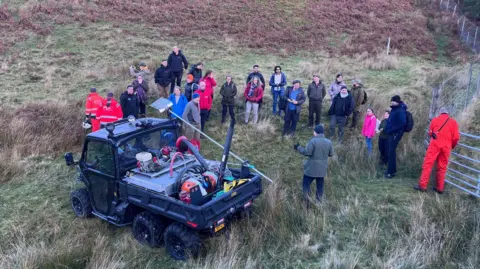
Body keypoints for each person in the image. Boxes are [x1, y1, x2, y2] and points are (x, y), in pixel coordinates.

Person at [415, 107, 460, 193]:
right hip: (446, 147)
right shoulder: (454, 122)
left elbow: (430, 133)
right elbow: (456, 137)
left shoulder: (435, 120)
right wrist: (451, 146)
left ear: (440, 113)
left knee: (428, 165)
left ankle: (423, 186)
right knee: (442, 167)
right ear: (447, 113)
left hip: (435, 145)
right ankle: (440, 188)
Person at [294, 124, 334, 202]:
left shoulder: (313, 141)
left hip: (311, 169)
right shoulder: (329, 142)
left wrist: (298, 147)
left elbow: (307, 152)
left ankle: (307, 202)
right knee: (320, 186)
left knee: (306, 185)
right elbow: (331, 154)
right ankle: (318, 202)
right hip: (322, 169)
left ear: (316, 132)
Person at [384, 95, 408, 178]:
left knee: (391, 152)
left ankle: (391, 172)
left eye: (393, 101)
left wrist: (392, 130)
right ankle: (391, 170)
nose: (391, 102)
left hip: (396, 134)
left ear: (397, 101)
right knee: (391, 151)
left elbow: (402, 122)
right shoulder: (395, 109)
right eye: (391, 101)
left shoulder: (400, 110)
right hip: (392, 133)